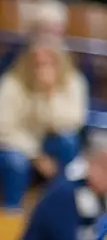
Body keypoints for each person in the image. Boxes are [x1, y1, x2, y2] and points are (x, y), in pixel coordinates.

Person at [0, 35, 89, 206]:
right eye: (38, 64)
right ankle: (12, 214)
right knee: (15, 162)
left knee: (68, 140)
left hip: (51, 144)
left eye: (50, 63)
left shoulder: (74, 82)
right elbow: (4, 129)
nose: (43, 70)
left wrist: (48, 95)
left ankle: (61, 205)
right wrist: (36, 155)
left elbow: (74, 121)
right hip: (18, 147)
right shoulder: (11, 83)